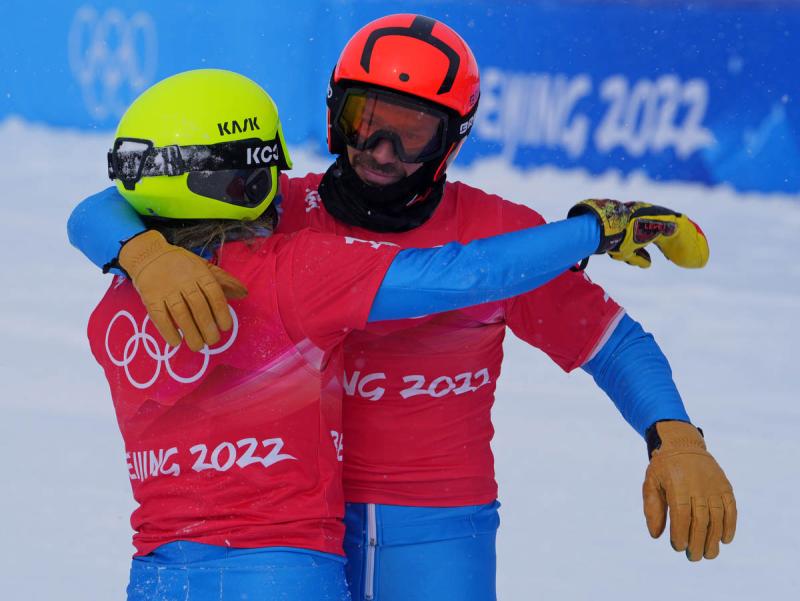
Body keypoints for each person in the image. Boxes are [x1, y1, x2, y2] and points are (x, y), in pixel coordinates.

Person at [69, 15, 736, 601]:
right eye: (366, 121)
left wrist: (672, 432)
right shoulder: (273, 211)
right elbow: (117, 196)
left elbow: (612, 343)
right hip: (297, 535)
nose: (382, 152)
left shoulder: (503, 239)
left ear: (451, 141)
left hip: (437, 533)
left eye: (412, 132)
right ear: (335, 115)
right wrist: (139, 250)